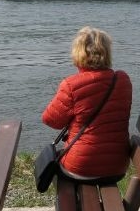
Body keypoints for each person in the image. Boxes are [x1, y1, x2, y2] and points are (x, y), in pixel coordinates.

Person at [42, 26, 132, 183]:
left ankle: (70, 207)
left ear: (78, 53)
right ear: (107, 53)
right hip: (117, 166)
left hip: (81, 166)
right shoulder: (122, 80)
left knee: (58, 172)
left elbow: (51, 120)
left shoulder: (71, 85)